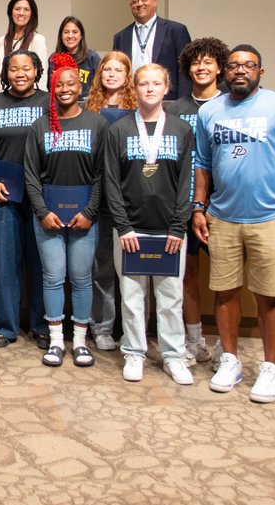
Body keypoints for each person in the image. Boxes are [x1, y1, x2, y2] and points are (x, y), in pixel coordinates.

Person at [193, 45, 275, 403]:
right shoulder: (210, 111)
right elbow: (202, 162)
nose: (240, 71)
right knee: (225, 292)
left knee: (268, 297)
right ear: (223, 72)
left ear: (261, 71)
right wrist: (199, 207)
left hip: (270, 219)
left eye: (248, 65)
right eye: (233, 66)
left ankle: (270, 367)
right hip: (223, 217)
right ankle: (229, 359)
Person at [103, 63, 196, 386]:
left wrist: (179, 226)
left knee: (171, 297)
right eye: (143, 83)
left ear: (167, 87)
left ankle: (173, 355)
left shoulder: (182, 130)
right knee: (131, 296)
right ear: (135, 87)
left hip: (169, 230)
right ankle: (134, 352)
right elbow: (111, 183)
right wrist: (123, 225)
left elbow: (187, 183)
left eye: (156, 83)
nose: (150, 89)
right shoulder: (119, 130)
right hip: (130, 229)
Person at [24, 55, 105, 368]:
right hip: (47, 217)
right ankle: (57, 342)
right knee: (54, 277)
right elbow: (31, 175)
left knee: (82, 278)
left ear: (80, 85)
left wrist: (90, 211)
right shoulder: (40, 126)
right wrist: (42, 211)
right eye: (59, 85)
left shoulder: (96, 123)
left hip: (85, 216)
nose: (65, 89)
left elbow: (102, 174)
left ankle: (81, 343)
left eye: (71, 83)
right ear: (52, 88)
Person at [0, 50, 50, 348]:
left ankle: (43, 325)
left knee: (42, 262)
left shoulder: (49, 103)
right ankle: (5, 327)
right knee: (4, 262)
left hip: (42, 197)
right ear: (5, 73)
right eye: (13, 68)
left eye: (26, 68)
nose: (20, 73)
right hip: (4, 196)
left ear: (37, 71)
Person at [166, 37, 231, 365]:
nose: (201, 67)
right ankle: (193, 341)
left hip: (223, 205)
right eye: (195, 63)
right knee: (186, 274)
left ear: (220, 67)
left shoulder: (231, 105)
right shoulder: (174, 109)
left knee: (224, 276)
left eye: (208, 62)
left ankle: (226, 345)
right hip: (184, 202)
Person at [83, 49, 136, 350]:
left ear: (128, 75)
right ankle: (102, 327)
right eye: (107, 69)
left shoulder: (137, 110)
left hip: (129, 199)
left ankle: (132, 331)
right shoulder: (89, 111)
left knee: (131, 271)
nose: (112, 74)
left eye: (119, 69)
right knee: (101, 267)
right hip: (98, 198)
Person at [112, 0, 191, 100]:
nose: (140, 4)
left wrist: (182, 104)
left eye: (144, 0)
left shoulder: (176, 31)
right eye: (135, 1)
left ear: (155, 2)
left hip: (168, 100)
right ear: (131, 6)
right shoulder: (121, 37)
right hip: (130, 101)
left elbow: (185, 71)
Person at [0, 0, 50, 89]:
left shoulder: (37, 40)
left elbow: (42, 77)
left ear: (31, 14)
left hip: (29, 100)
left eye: (26, 9)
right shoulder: (3, 41)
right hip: (5, 99)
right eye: (17, 9)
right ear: (11, 12)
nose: (21, 13)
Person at [55, 16, 101, 99]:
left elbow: (99, 88)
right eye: (66, 32)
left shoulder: (92, 58)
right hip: (61, 106)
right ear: (61, 36)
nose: (70, 36)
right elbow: (51, 88)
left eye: (75, 32)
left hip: (87, 105)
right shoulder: (54, 59)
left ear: (81, 35)